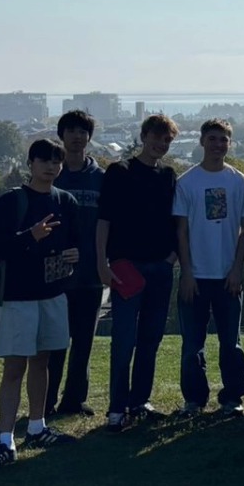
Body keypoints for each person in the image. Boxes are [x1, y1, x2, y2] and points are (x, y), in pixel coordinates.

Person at [0, 139, 81, 470]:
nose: (51, 167)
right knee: (14, 367)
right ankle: (5, 440)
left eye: (57, 162)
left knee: (43, 361)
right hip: (19, 297)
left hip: (53, 294)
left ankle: (37, 427)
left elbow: (75, 244)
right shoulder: (11, 201)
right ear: (31, 163)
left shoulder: (67, 201)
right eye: (45, 161)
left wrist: (74, 256)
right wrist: (30, 236)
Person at [97, 113, 179, 432]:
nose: (161, 144)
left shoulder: (169, 175)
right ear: (144, 136)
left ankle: (139, 401)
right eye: (157, 137)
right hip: (125, 268)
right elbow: (104, 220)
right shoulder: (120, 171)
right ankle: (117, 408)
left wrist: (172, 258)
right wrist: (102, 263)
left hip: (160, 268)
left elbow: (175, 221)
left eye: (167, 140)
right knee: (123, 340)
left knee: (150, 339)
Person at [173, 118, 244, 418]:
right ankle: (194, 399)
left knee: (231, 342)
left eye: (224, 139)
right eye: (213, 138)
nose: (218, 144)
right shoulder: (187, 182)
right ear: (202, 141)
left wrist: (237, 270)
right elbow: (181, 231)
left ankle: (233, 397)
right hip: (196, 277)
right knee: (192, 345)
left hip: (228, 277)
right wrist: (187, 272)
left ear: (230, 143)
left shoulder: (240, 182)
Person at [47, 109, 105, 418]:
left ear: (89, 138)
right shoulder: (51, 173)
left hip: (91, 274)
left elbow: (111, 224)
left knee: (84, 341)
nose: (77, 136)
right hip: (55, 276)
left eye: (83, 131)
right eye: (71, 130)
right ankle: (46, 402)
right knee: (55, 342)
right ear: (62, 135)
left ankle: (74, 400)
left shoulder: (102, 178)